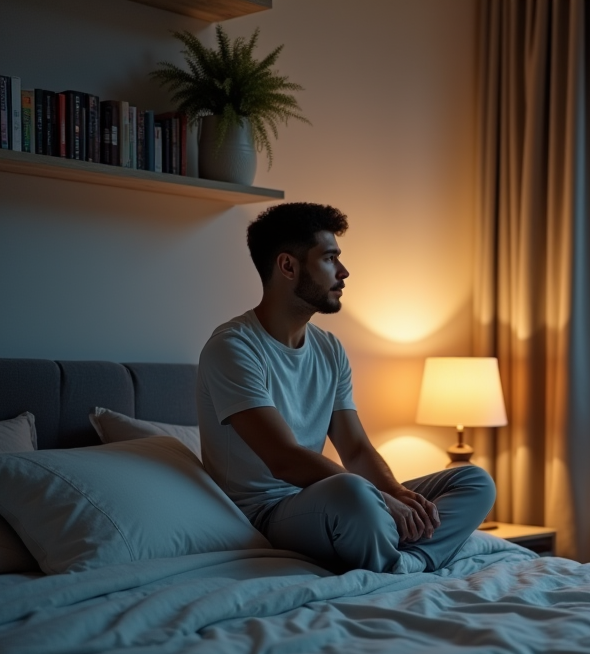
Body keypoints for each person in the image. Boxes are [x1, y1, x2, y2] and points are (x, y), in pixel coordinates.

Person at [197, 202, 495, 574]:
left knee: (473, 479)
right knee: (354, 493)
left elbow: (354, 448)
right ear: (288, 266)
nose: (344, 272)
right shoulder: (233, 347)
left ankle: (410, 562)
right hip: (266, 514)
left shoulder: (329, 348)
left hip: (330, 500)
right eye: (329, 259)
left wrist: (397, 495)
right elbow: (283, 459)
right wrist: (380, 499)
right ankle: (397, 556)